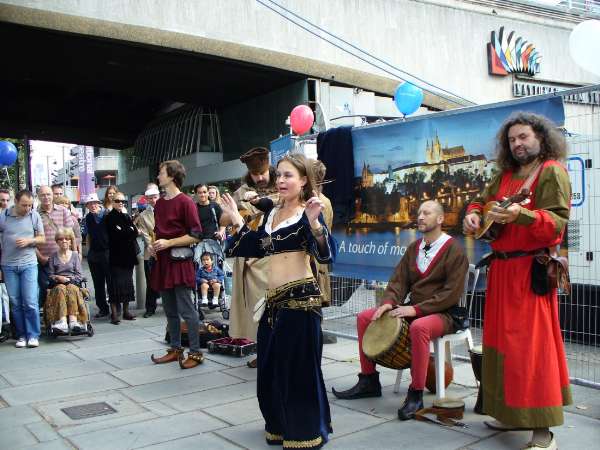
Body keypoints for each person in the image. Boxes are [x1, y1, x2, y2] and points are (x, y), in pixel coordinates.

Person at [463, 112, 572, 450]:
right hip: (502, 273)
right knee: (501, 347)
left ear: (540, 136)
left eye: (523, 137)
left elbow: (556, 223)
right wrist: (474, 213)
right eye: (512, 139)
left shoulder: (552, 171)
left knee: (532, 350)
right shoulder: (505, 174)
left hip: (529, 273)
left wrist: (520, 214)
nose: (517, 144)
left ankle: (542, 430)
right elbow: (481, 201)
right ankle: (510, 413)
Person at [222, 153, 336, 449]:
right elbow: (260, 246)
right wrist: (237, 219)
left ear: (303, 182)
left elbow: (325, 255)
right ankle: (279, 426)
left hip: (300, 304)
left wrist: (316, 227)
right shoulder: (273, 214)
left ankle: (304, 434)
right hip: (273, 304)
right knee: (269, 372)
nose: (282, 180)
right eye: (280, 175)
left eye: (289, 176)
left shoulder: (309, 211)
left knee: (298, 374)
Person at [332, 200, 468, 420]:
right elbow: (398, 282)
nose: (420, 217)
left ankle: (416, 394)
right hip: (413, 307)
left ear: (441, 219)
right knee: (365, 318)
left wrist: (415, 310)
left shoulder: (455, 250)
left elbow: (450, 294)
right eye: (419, 213)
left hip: (444, 313)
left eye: (427, 213)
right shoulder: (414, 248)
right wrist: (388, 302)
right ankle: (369, 380)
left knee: (420, 328)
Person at [224, 147, 279, 369]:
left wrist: (260, 203)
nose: (259, 178)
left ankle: (276, 351)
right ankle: (263, 349)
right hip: (249, 255)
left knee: (272, 304)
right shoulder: (242, 190)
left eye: (262, 173)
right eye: (255, 175)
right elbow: (225, 218)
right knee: (254, 307)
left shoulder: (281, 186)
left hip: (273, 254)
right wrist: (239, 215)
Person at [149, 160, 203, 369]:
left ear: (172, 176)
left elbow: (196, 235)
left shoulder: (186, 202)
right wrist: (153, 246)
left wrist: (169, 242)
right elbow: (158, 230)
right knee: (170, 309)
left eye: (161, 172)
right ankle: (175, 349)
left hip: (179, 261)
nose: (159, 176)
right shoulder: (160, 203)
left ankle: (196, 353)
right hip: (163, 260)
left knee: (187, 310)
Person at [0, 190, 45, 348]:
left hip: (29, 263)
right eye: (24, 205)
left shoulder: (34, 216)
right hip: (8, 265)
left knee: (30, 301)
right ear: (16, 202)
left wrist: (29, 240)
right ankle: (20, 335)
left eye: (30, 205)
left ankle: (33, 334)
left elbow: (42, 238)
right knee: (15, 302)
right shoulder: (4, 216)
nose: (27, 208)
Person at [36, 185, 75, 308]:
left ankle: (63, 316)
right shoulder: (34, 214)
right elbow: (31, 239)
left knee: (64, 287)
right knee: (45, 287)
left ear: (52, 195)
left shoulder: (63, 211)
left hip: (63, 258)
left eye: (48, 194)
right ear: (38, 197)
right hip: (43, 260)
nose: (46, 197)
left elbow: (70, 235)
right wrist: (40, 257)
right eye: (42, 195)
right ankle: (49, 316)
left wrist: (74, 254)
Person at [45, 227, 88, 333]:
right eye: (61, 239)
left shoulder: (75, 255)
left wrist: (68, 279)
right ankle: (62, 321)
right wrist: (59, 278)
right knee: (60, 288)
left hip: (73, 284)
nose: (64, 241)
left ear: (70, 241)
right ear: (57, 241)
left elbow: (79, 275)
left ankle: (73, 321)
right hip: (57, 285)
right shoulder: (53, 256)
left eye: (67, 239)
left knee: (71, 288)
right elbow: (50, 275)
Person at [105, 191, 138, 324]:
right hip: (116, 257)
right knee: (115, 285)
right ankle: (114, 314)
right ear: (112, 202)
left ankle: (126, 311)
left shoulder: (126, 216)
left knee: (128, 284)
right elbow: (115, 235)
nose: (120, 203)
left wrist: (126, 230)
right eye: (118, 201)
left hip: (128, 256)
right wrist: (127, 231)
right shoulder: (109, 217)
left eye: (122, 201)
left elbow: (134, 231)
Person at [134, 183, 161, 318]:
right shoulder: (144, 215)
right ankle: (150, 308)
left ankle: (171, 306)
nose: (153, 200)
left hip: (167, 248)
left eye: (155, 197)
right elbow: (144, 233)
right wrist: (152, 247)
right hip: (150, 250)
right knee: (150, 281)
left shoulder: (167, 210)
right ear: (147, 199)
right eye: (150, 198)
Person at [84, 193, 111, 318]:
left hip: (107, 252)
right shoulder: (88, 217)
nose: (93, 205)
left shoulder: (107, 215)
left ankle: (115, 308)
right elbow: (88, 235)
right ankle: (103, 308)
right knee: (97, 283)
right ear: (87, 206)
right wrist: (89, 252)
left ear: (99, 203)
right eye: (90, 203)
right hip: (94, 254)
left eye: (94, 203)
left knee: (111, 281)